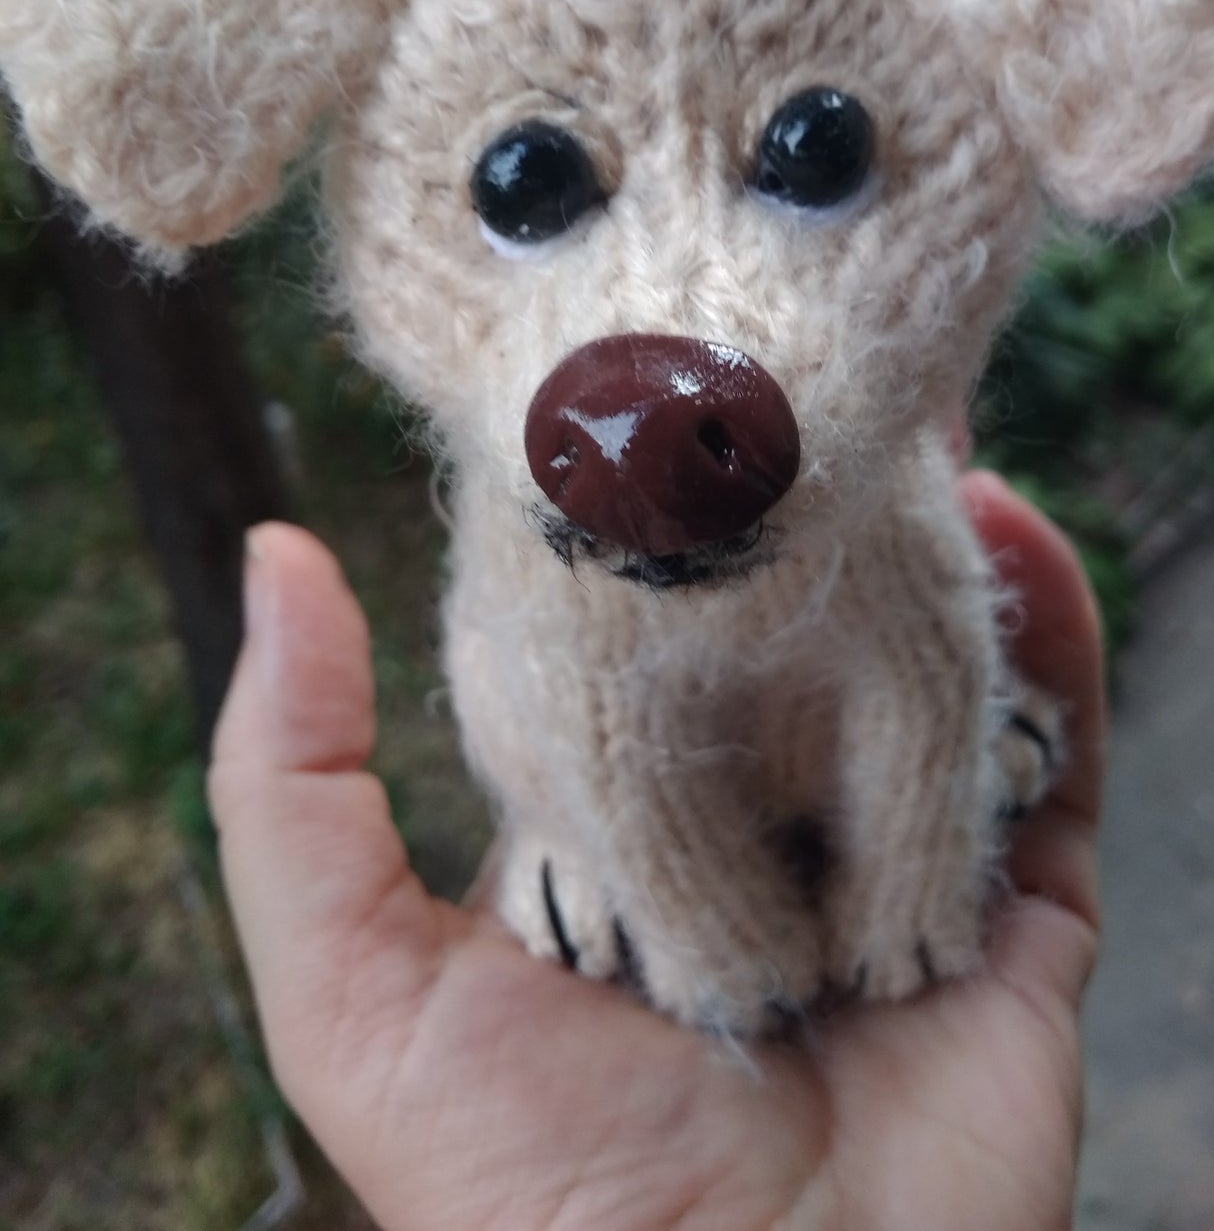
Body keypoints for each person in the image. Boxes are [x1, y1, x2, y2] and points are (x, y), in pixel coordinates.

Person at [209, 471, 1106, 1230]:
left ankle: (908, 863)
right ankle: (601, 864)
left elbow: (919, 668)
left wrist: (916, 885)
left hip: (838, 676)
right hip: (591, 750)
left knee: (919, 659)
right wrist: (717, 945)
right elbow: (610, 743)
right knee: (591, 729)